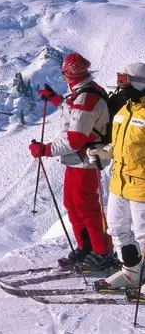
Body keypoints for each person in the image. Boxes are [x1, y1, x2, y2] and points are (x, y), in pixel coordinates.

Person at [28, 52, 113, 269]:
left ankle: (102, 252)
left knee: (87, 207)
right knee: (73, 205)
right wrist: (54, 98)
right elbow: (71, 109)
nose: (63, 75)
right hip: (76, 161)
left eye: (64, 72)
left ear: (69, 74)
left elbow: (75, 139)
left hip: (86, 160)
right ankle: (87, 247)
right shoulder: (83, 92)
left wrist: (44, 150)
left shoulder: (86, 98)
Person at [88, 63, 145, 290]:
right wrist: (104, 152)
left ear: (138, 83)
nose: (120, 86)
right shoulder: (123, 112)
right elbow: (120, 145)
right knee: (117, 229)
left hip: (141, 185)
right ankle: (131, 272)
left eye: (125, 81)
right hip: (119, 183)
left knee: (144, 235)